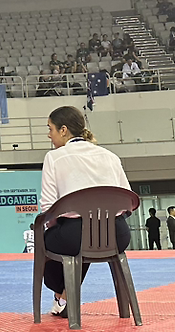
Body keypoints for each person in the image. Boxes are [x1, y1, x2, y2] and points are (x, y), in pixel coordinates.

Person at [36, 106, 132, 318]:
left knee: (53, 239)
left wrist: (57, 227)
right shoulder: (110, 156)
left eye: (50, 128)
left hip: (74, 236)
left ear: (63, 130)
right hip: (118, 235)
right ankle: (64, 298)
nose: (48, 134)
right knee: (90, 233)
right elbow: (128, 202)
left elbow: (48, 209)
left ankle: (61, 295)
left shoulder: (54, 157)